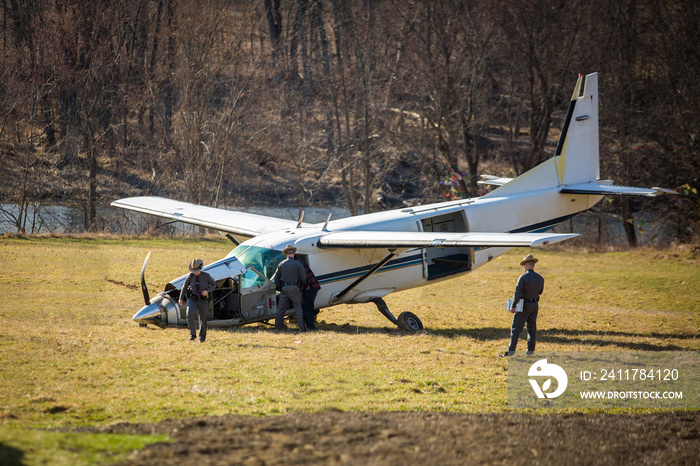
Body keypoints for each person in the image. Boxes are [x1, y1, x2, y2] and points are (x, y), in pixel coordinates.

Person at [500, 254, 545, 357]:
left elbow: (517, 293)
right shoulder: (540, 278)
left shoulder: (523, 277)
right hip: (534, 305)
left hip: (524, 305)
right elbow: (540, 292)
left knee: (516, 329)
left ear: (526, 265)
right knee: (532, 329)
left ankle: (510, 353)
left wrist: (513, 306)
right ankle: (530, 352)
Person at [178, 258, 216, 343]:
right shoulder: (190, 276)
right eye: (194, 270)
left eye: (197, 270)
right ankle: (193, 334)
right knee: (189, 314)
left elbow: (214, 285)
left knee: (203, 319)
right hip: (193, 299)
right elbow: (184, 287)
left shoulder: (206, 276)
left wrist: (207, 291)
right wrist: (180, 298)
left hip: (203, 300)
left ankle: (201, 337)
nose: (195, 272)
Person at [273, 245, 307, 331]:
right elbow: (304, 278)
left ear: (286, 254)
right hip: (295, 288)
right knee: (298, 309)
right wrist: (300, 285)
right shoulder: (298, 264)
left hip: (284, 288)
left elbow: (276, 278)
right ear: (294, 254)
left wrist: (280, 287)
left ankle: (277, 328)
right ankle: (302, 329)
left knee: (280, 309)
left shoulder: (281, 264)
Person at [299, 258, 321, 331]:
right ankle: (309, 325)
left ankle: (311, 327)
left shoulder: (296, 264)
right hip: (312, 285)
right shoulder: (300, 262)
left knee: (307, 306)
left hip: (310, 286)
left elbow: (304, 279)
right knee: (307, 305)